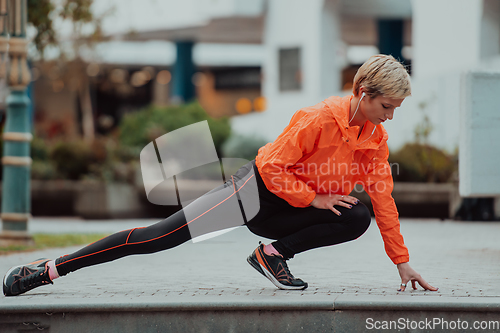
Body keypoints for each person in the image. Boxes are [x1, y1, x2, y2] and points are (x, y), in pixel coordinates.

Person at [3, 54, 437, 296]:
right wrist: (315, 199)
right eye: (387, 107)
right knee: (157, 238)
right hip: (254, 193)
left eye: (396, 110)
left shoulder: (373, 138)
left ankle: (273, 255)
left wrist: (402, 263)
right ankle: (48, 269)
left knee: (358, 215)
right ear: (363, 94)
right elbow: (270, 167)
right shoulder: (317, 119)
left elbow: (383, 198)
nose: (391, 117)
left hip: (289, 215)